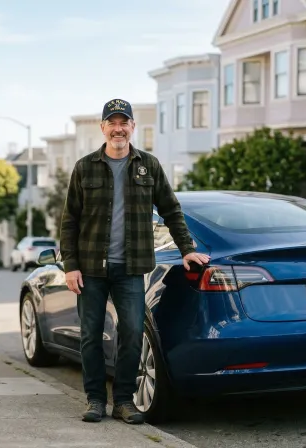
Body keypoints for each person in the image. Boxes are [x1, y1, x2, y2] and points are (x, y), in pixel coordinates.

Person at [59, 98, 210, 424]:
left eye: (123, 122)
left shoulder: (149, 166)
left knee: (131, 333)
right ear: (103, 128)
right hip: (90, 268)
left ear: (132, 127)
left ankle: (124, 400)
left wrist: (187, 249)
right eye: (112, 123)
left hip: (131, 267)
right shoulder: (85, 167)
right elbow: (70, 218)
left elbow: (171, 210)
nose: (118, 128)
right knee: (91, 335)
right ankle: (96, 400)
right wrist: (70, 265)